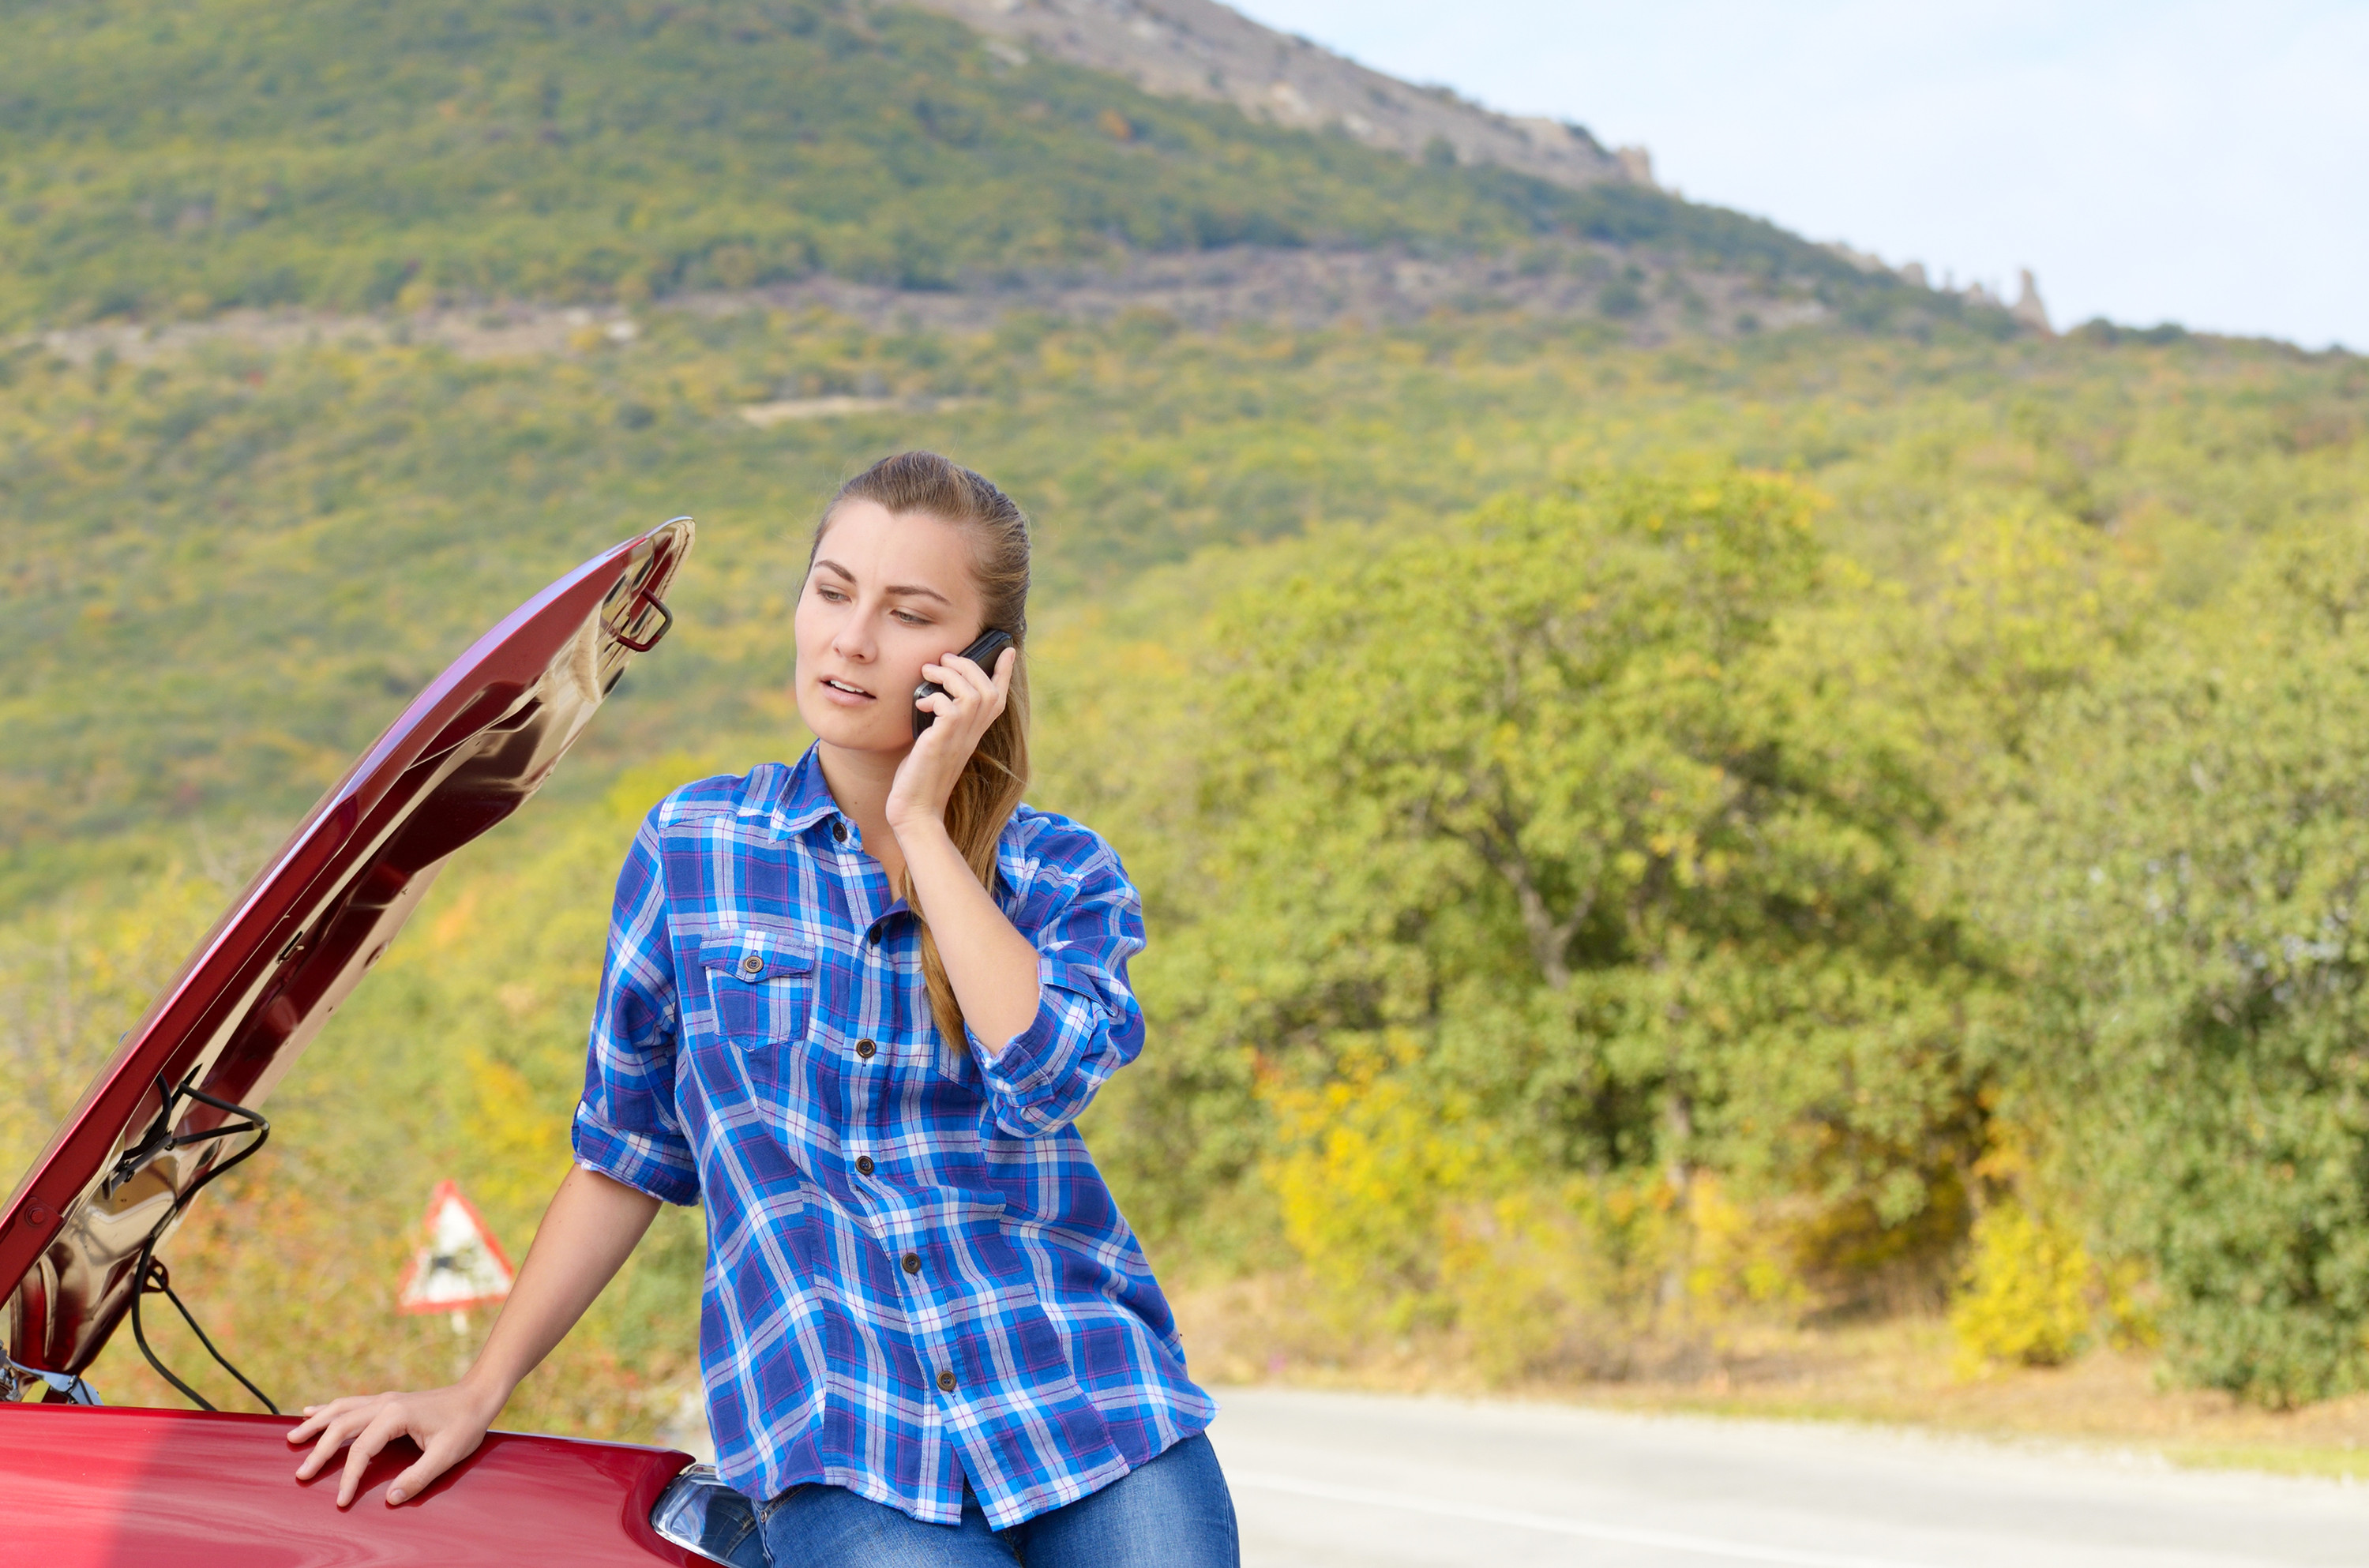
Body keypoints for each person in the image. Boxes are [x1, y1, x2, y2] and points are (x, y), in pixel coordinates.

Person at [291, 452, 1236, 1567]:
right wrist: (478, 1385)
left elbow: (1041, 1072)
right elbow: (626, 1153)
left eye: (908, 613)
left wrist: (926, 827)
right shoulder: (693, 849)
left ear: (982, 661)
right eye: (833, 590)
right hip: (843, 1445)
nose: (851, 639)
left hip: (1089, 1402)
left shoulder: (1059, 868)